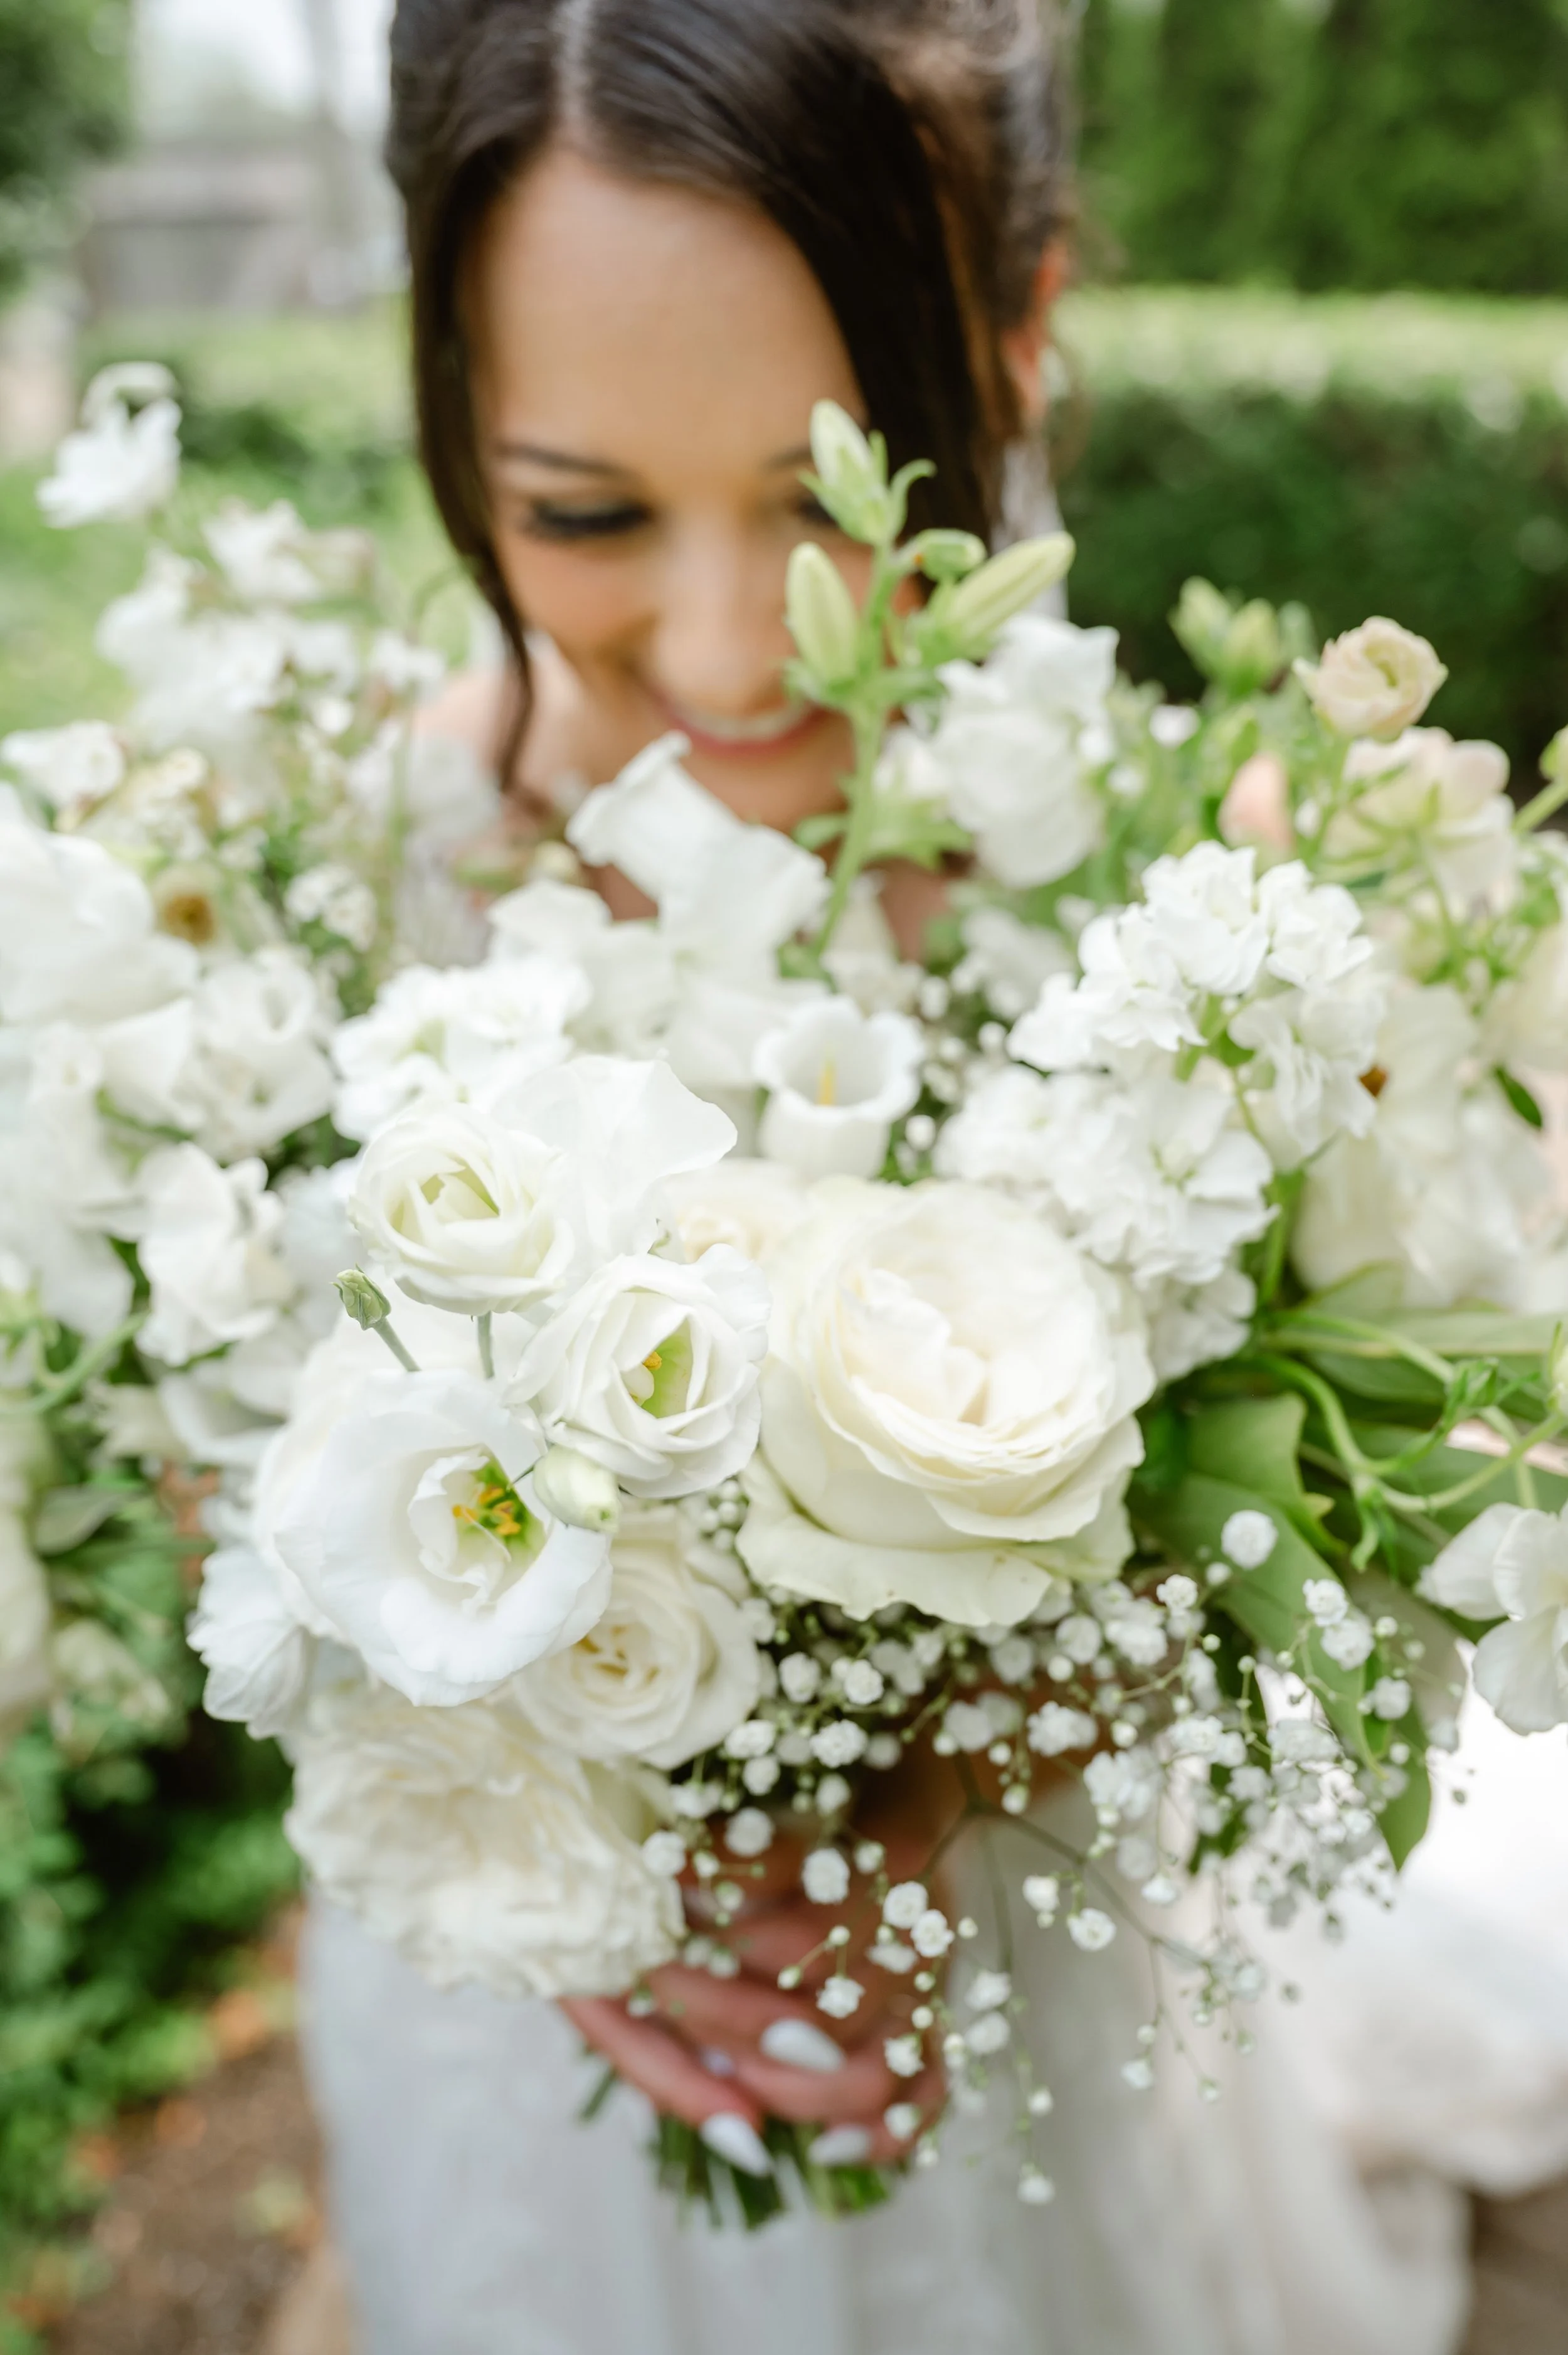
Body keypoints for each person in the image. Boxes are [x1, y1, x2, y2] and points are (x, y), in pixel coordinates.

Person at [299, 4, 1473, 2347]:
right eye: (584, 511)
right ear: (444, 399)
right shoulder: (330, 873)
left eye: (856, 491)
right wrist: (552, 1844)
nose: (743, 654)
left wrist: (927, 1790)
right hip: (508, 2022)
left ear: (1018, 340)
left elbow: (1316, 1540)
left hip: (1027, 1989)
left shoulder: (1197, 914)